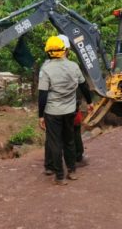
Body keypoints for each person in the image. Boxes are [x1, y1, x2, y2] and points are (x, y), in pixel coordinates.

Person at [38, 36, 92, 186]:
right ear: (64, 50)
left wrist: (40, 116)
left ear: (48, 52)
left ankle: (59, 176)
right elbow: (84, 86)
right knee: (69, 141)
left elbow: (43, 95)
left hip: (52, 112)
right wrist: (90, 102)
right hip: (70, 111)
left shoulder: (46, 70)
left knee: (55, 143)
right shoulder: (74, 66)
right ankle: (72, 171)